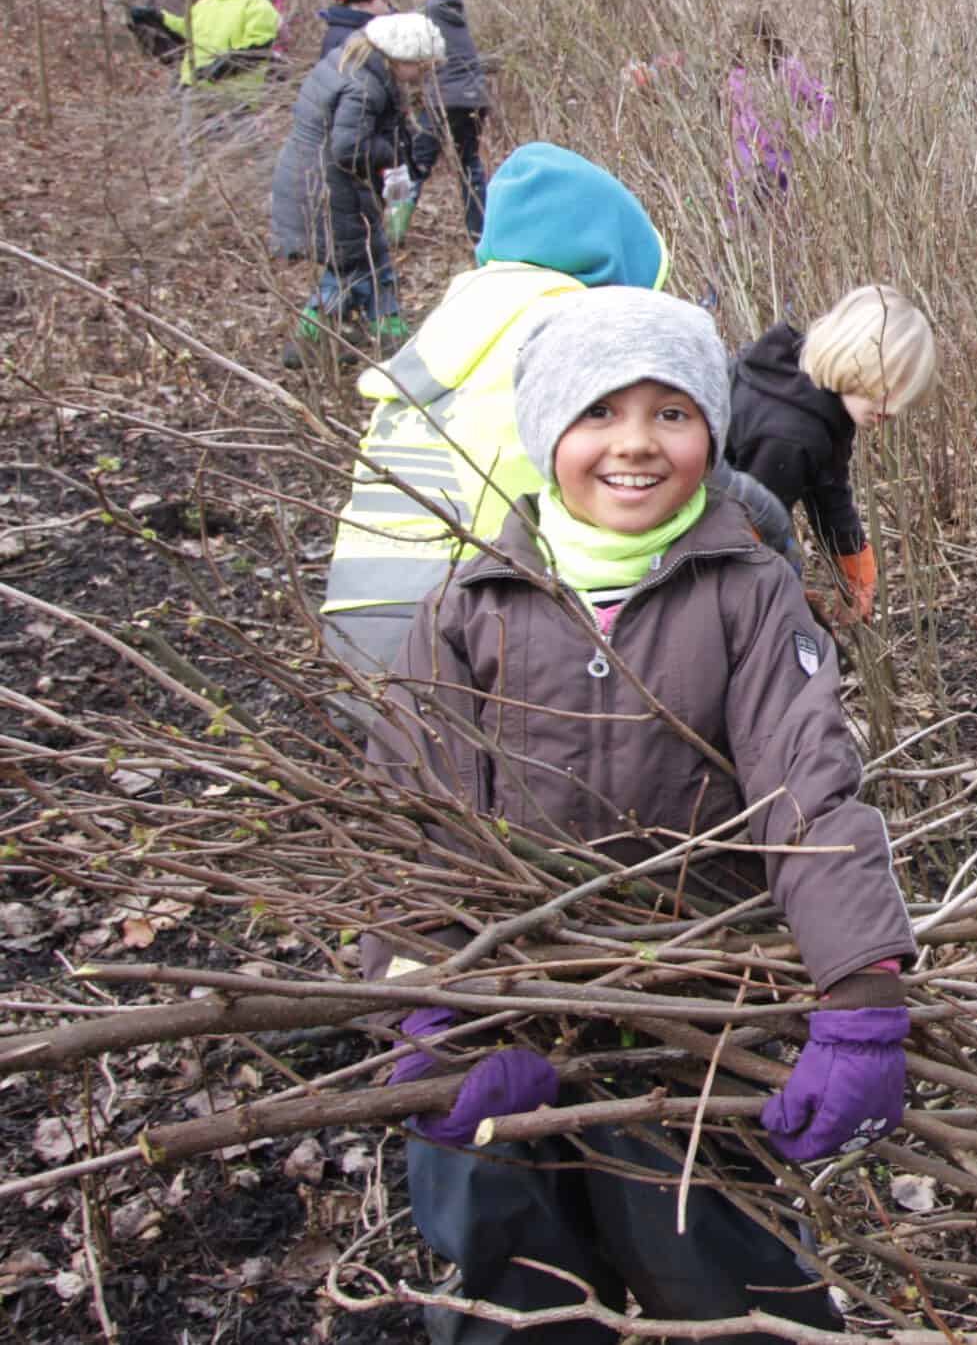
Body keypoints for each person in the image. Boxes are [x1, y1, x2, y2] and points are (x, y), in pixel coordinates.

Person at [364, 286, 914, 1340]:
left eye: (672, 413)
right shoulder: (467, 609)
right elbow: (413, 820)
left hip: (690, 1016)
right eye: (599, 413)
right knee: (507, 1278)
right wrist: (430, 1016)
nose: (636, 444)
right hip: (500, 998)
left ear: (711, 430)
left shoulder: (749, 595)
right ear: (544, 433)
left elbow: (809, 784)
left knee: (718, 1274)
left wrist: (859, 993)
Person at [316, 141, 801, 681]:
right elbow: (709, 484)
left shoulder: (466, 315)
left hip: (356, 621)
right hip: (461, 626)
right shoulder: (567, 329)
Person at [725, 284, 939, 625]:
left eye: (904, 397)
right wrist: (780, 600)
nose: (894, 408)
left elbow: (828, 487)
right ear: (853, 360)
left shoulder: (816, 397)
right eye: (886, 389)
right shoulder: (787, 434)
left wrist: (856, 570)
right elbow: (742, 535)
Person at [269, 11, 445, 364]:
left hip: (314, 181)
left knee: (358, 261)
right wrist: (393, 151)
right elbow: (349, 148)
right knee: (362, 261)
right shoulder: (364, 86)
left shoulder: (348, 63)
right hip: (329, 190)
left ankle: (364, 330)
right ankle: (331, 337)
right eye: (421, 66)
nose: (425, 74)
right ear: (400, 58)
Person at [127, 0, 280, 98]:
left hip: (233, 94)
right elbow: (188, 29)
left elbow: (256, 50)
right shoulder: (209, 0)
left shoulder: (258, 6)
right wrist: (157, 18)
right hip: (195, 85)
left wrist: (219, 68)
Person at [724, 15, 835, 213]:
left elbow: (824, 101)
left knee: (784, 219)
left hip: (783, 164)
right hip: (746, 168)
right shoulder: (735, 79)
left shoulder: (789, 70)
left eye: (754, 44)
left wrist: (808, 133)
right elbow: (731, 124)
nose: (749, 51)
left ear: (767, 42)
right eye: (744, 45)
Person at [415, 0, 493, 236]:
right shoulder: (458, 18)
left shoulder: (423, 18)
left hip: (443, 99)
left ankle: (394, 229)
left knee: (417, 162)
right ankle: (479, 229)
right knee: (468, 162)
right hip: (476, 99)